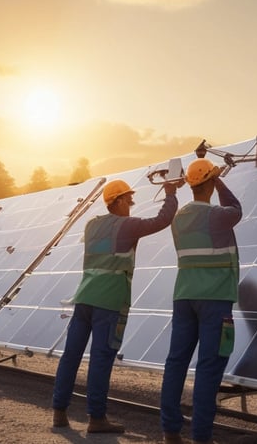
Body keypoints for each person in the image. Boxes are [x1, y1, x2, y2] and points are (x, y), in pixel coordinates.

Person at [52, 178, 180, 433]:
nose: (131, 205)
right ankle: (96, 419)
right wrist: (170, 194)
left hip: (85, 298)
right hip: (109, 302)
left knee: (71, 356)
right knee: (101, 359)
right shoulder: (128, 225)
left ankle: (59, 412)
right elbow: (161, 221)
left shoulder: (91, 225)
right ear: (119, 201)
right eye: (129, 200)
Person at [160, 159, 242, 444]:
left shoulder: (179, 217)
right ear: (208, 183)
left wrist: (210, 178)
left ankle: (170, 432)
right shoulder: (218, 216)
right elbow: (236, 209)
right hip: (215, 299)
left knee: (176, 363)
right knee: (209, 366)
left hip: (184, 297)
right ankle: (201, 437)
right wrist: (219, 179)